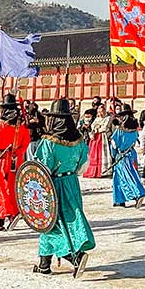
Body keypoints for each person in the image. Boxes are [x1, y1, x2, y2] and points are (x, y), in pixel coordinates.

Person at [30, 99, 94, 276]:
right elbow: (83, 166)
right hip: (72, 184)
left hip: (53, 186)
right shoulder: (79, 141)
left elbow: (41, 169)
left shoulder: (49, 142)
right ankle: (44, 264)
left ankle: (74, 256)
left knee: (50, 224)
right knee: (65, 222)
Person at [0, 93, 31, 230]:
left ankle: (2, 218)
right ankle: (12, 214)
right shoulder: (22, 126)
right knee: (13, 188)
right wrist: (18, 153)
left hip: (1, 161)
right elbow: (26, 143)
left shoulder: (0, 126)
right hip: (17, 160)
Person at [110, 106, 145, 207]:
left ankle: (139, 193)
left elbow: (114, 144)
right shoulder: (134, 130)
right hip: (132, 154)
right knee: (127, 174)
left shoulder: (119, 130)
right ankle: (119, 199)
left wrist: (113, 155)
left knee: (126, 176)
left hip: (122, 156)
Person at [84, 102, 113, 178]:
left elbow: (105, 127)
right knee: (93, 154)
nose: (101, 112)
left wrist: (97, 129)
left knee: (102, 153)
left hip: (102, 137)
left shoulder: (107, 118)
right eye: (99, 110)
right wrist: (94, 129)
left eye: (102, 110)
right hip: (95, 138)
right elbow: (93, 126)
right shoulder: (97, 119)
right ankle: (92, 171)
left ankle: (103, 171)